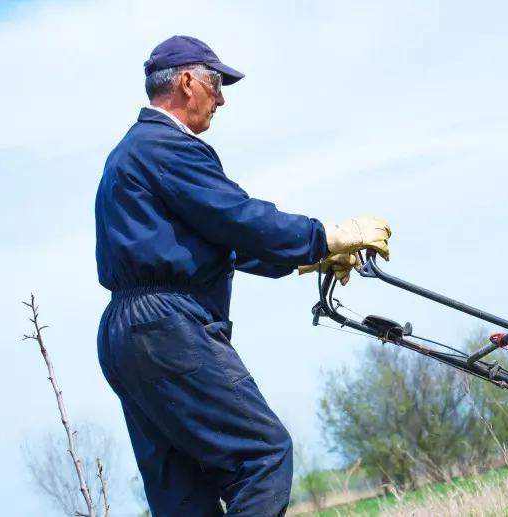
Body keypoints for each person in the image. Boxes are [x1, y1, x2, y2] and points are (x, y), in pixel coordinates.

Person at [94, 35, 391, 516]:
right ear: (186, 82)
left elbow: (215, 243)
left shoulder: (128, 154)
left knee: (182, 495)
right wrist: (326, 236)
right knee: (264, 456)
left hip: (127, 334)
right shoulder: (167, 146)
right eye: (216, 83)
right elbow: (237, 218)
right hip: (167, 326)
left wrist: (306, 259)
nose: (222, 97)